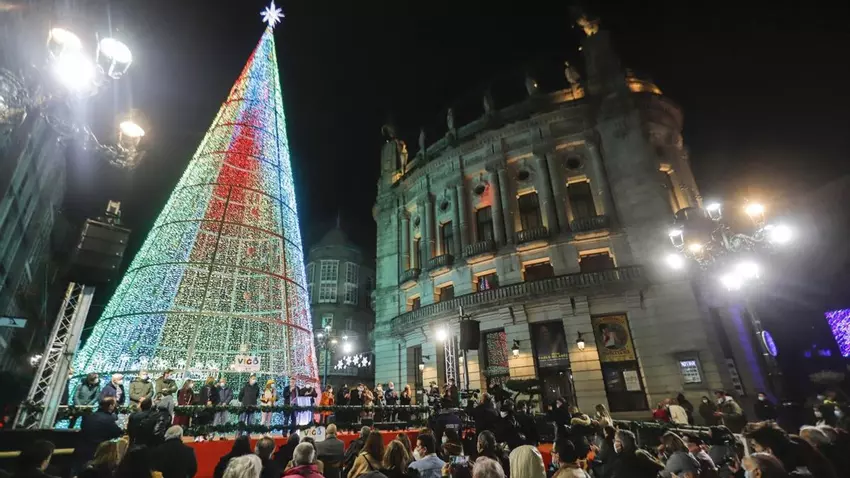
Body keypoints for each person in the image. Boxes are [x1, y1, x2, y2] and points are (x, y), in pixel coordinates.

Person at [745, 421, 837, 478]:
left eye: (754, 445)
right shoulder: (793, 443)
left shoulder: (791, 463)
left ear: (768, 449)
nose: (755, 450)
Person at [73, 398, 123, 476]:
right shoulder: (109, 419)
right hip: (96, 453)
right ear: (110, 406)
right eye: (114, 405)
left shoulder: (88, 416)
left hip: (80, 450)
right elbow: (117, 433)